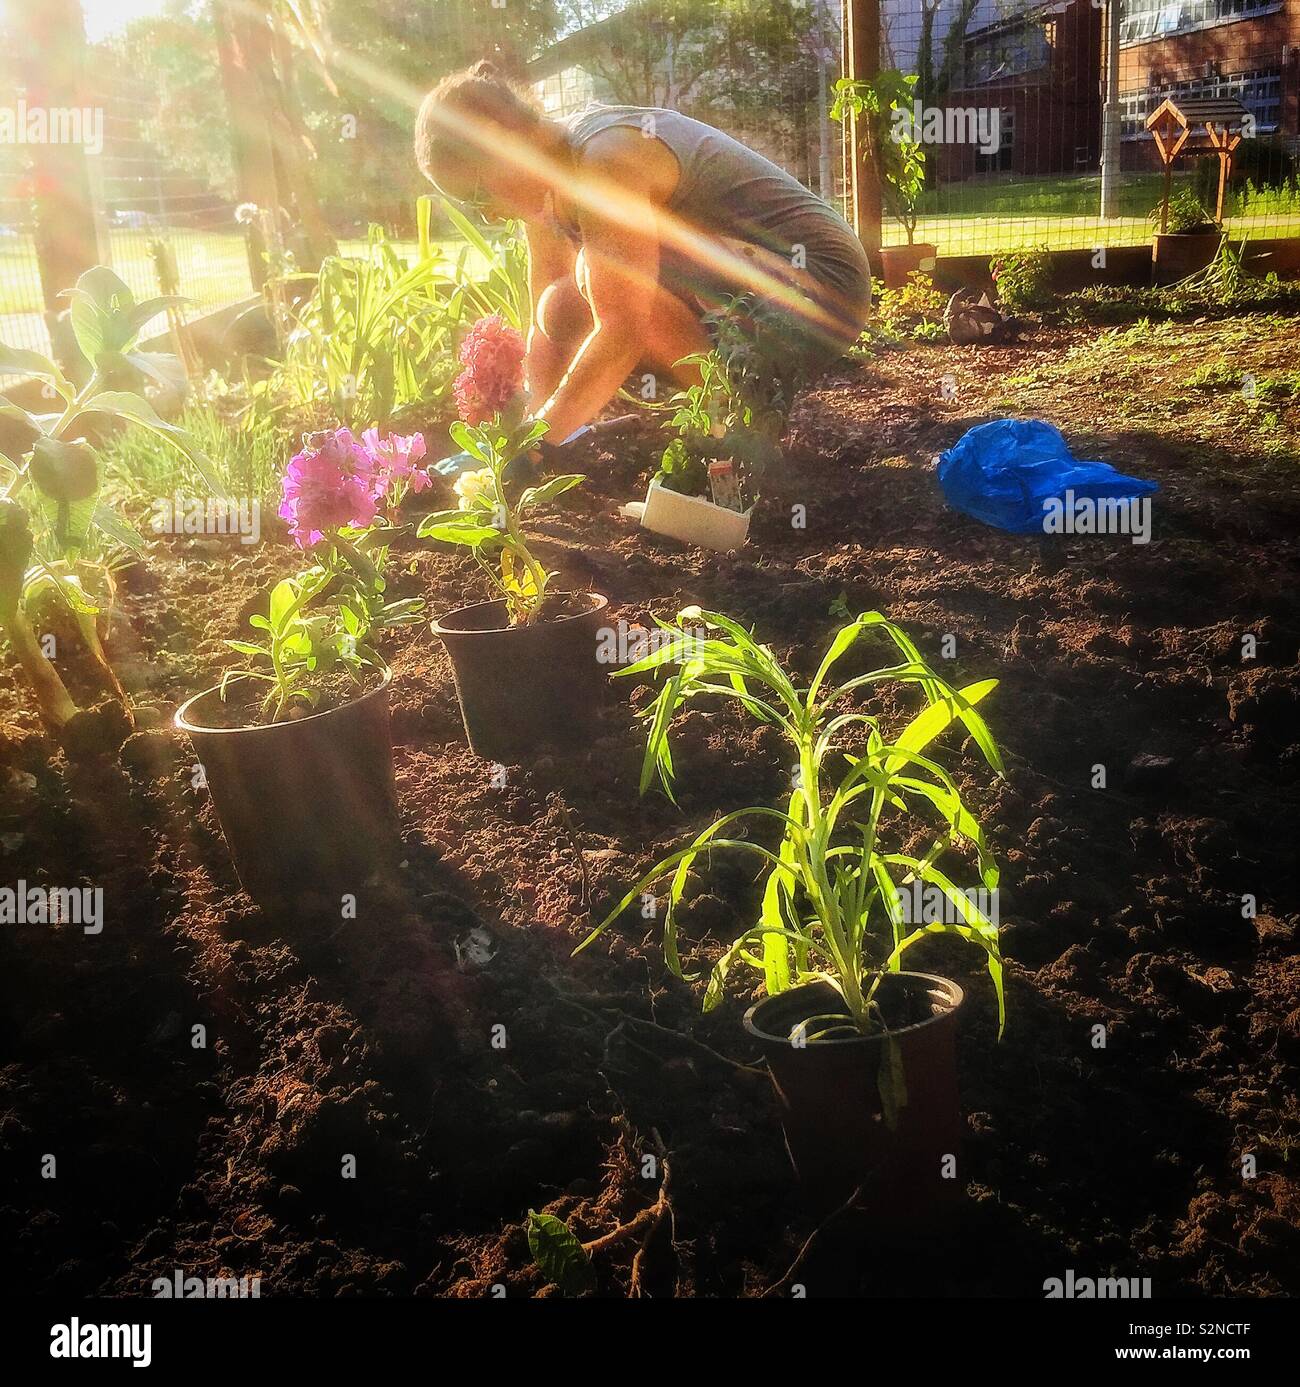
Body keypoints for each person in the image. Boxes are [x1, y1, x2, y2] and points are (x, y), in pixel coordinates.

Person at [415, 61, 872, 472]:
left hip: (824, 292)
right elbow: (547, 313)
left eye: (476, 197)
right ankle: (725, 417)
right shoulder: (547, 190)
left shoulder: (607, 157)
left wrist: (531, 447)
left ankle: (732, 425)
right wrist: (531, 429)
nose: (488, 215)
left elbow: (623, 329)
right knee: (561, 303)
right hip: (750, 288)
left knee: (604, 284)